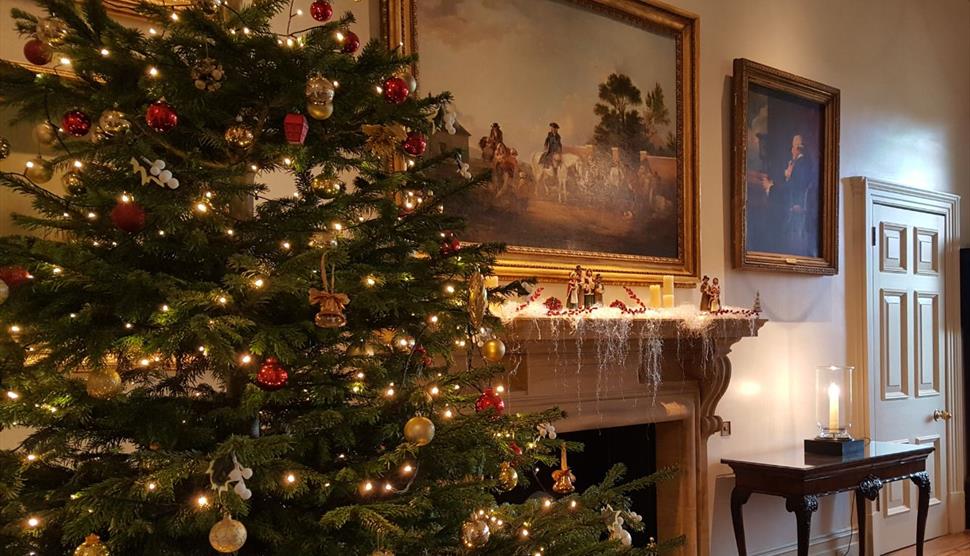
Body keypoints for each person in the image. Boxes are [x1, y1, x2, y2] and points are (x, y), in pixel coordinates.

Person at [760, 134, 818, 256]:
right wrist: (785, 177)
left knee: (771, 216)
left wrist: (771, 187)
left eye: (793, 147)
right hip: (791, 203)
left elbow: (794, 187)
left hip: (793, 205)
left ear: (798, 148)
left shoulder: (802, 164)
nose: (791, 150)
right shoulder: (799, 163)